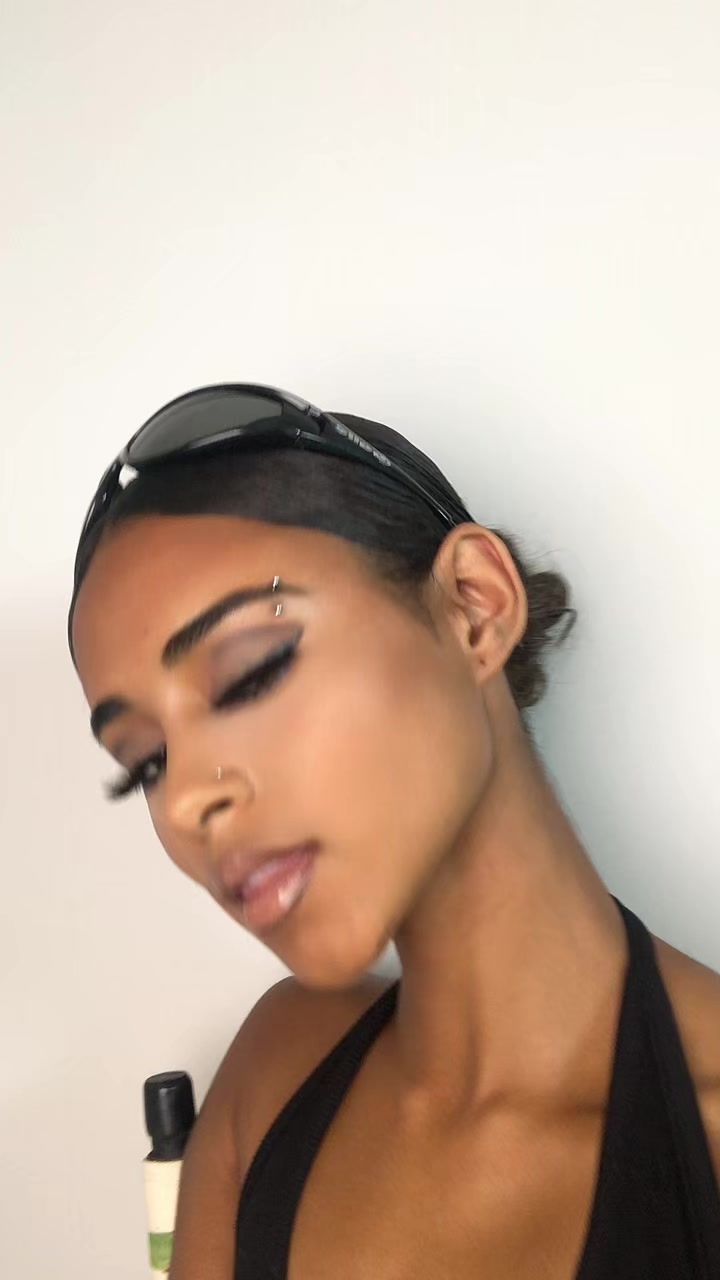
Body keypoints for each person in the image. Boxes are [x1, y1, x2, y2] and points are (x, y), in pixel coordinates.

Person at [68, 384, 720, 1279]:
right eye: (146, 761)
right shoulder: (272, 1077)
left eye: (251, 675)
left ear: (474, 606)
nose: (183, 802)